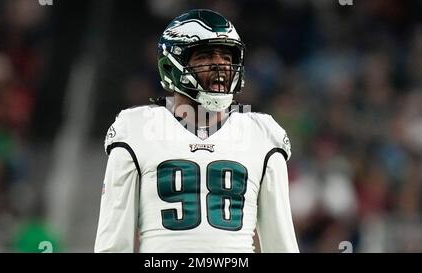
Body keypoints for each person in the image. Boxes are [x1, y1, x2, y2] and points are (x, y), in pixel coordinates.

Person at [94, 9, 299, 253]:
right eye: (205, 56)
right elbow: (114, 245)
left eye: (226, 56)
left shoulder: (263, 134)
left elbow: (281, 246)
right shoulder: (136, 129)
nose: (220, 65)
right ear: (172, 66)